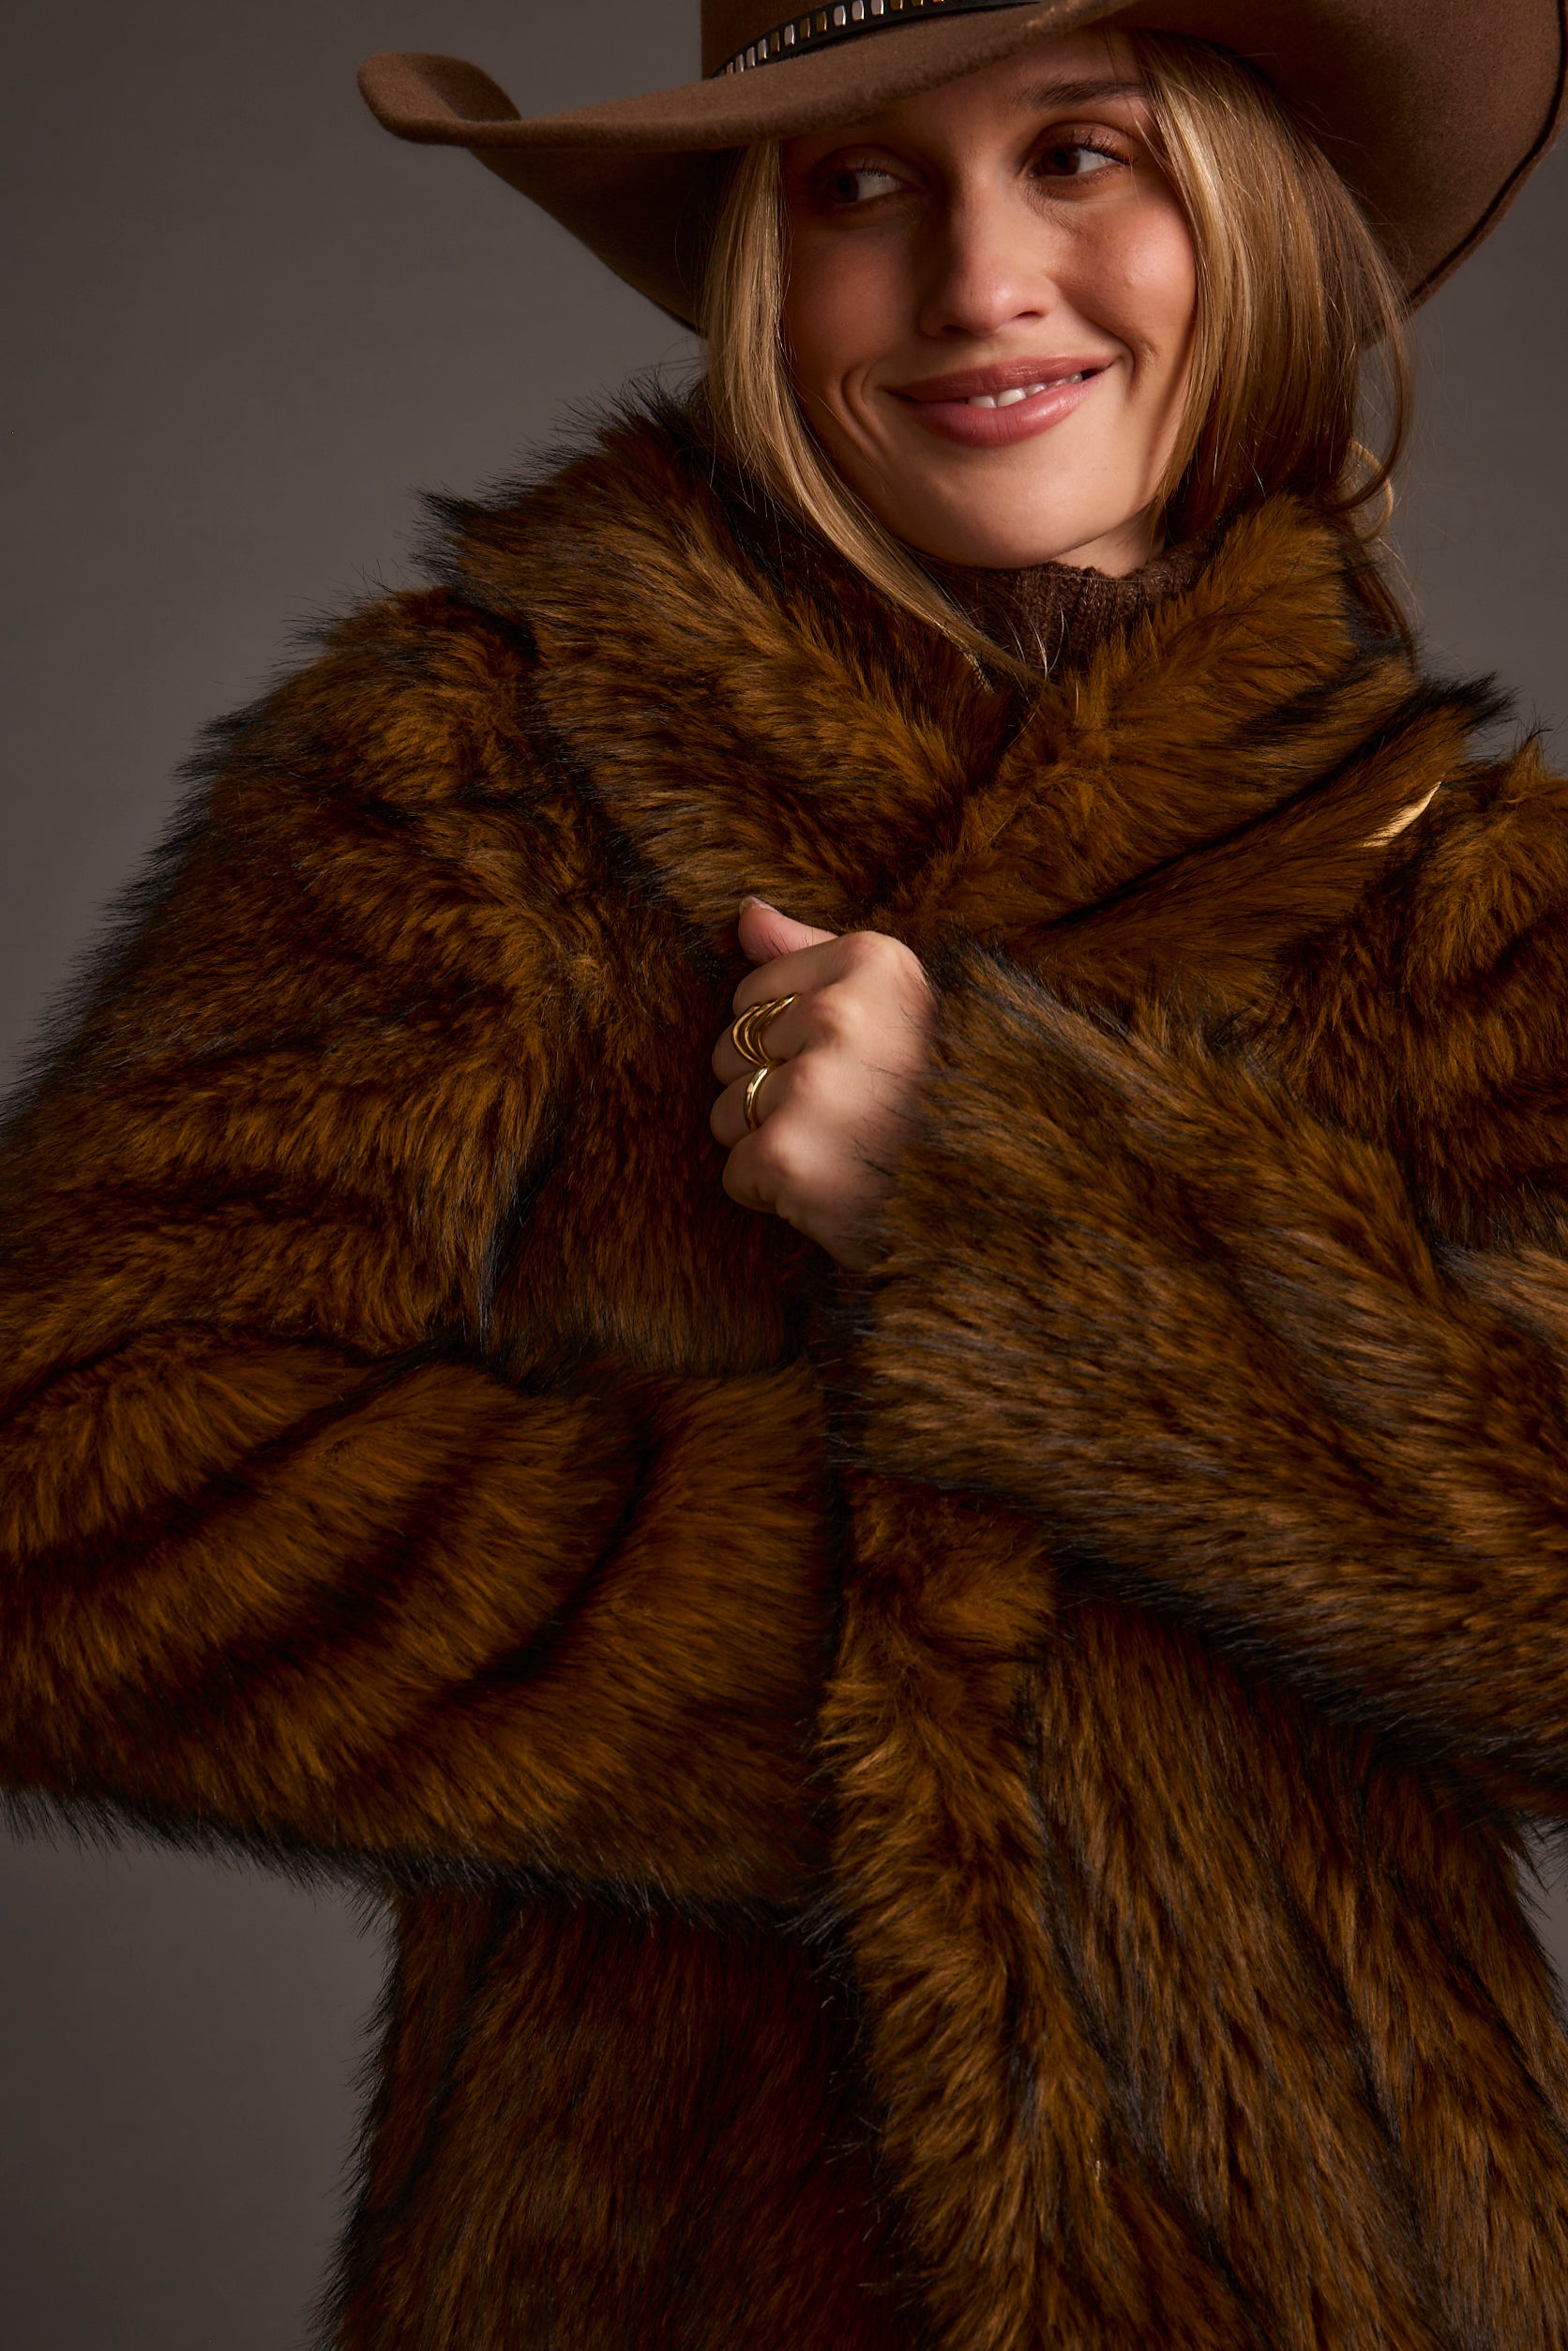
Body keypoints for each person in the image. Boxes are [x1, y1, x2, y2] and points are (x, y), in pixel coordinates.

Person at [2, 0, 1566, 2340]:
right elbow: (66, 1480)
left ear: (1243, 212)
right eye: (859, 181)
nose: (978, 281)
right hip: (649, 2270)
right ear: (760, 257)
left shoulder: (1455, 879)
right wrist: (922, 1657)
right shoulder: (478, 766)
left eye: (1077, 155)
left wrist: (1001, 1195)